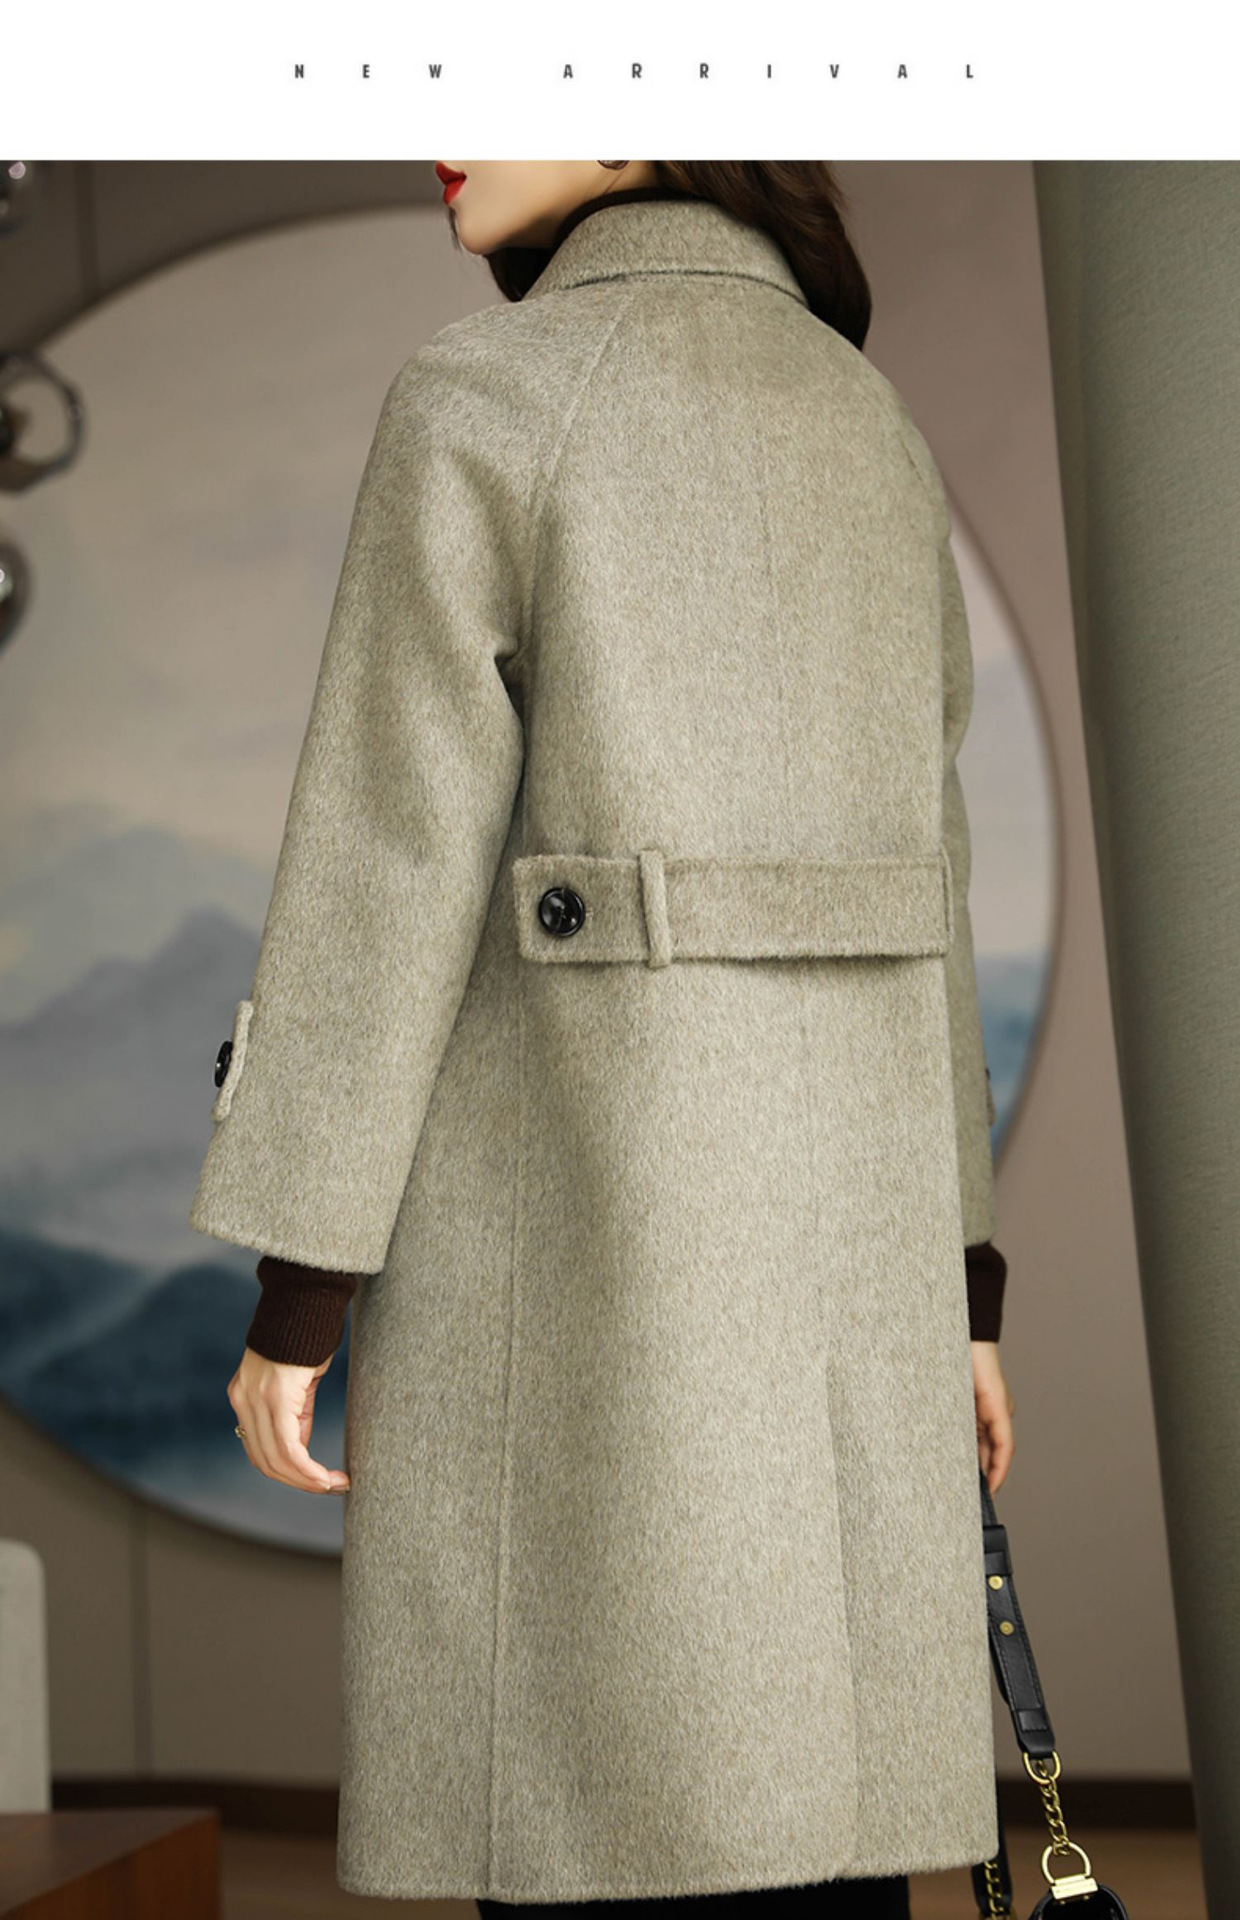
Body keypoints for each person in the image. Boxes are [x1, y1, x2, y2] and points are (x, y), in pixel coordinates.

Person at [190, 162, 1016, 1915]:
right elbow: (930, 885)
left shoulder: (489, 396)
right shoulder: (867, 420)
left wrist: (303, 1287)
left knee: (594, 1810)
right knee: (820, 1825)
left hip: (578, 1264)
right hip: (854, 1283)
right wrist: (959, 1289)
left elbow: (385, 860)